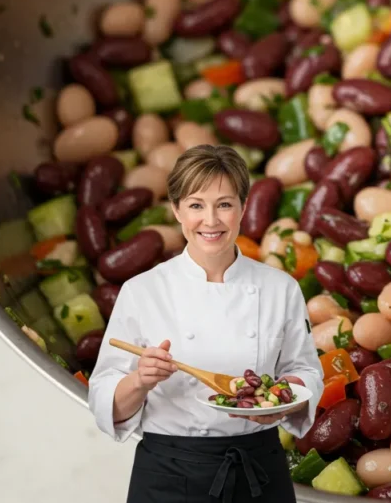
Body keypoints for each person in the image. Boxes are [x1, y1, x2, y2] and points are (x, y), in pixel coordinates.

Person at [88, 145, 324, 503]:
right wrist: (140, 379)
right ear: (177, 210)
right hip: (168, 474)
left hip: (258, 467)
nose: (211, 220)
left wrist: (281, 399)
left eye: (224, 204)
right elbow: (106, 401)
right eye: (196, 205)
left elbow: (305, 372)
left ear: (243, 208)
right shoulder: (142, 291)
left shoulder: (281, 288)